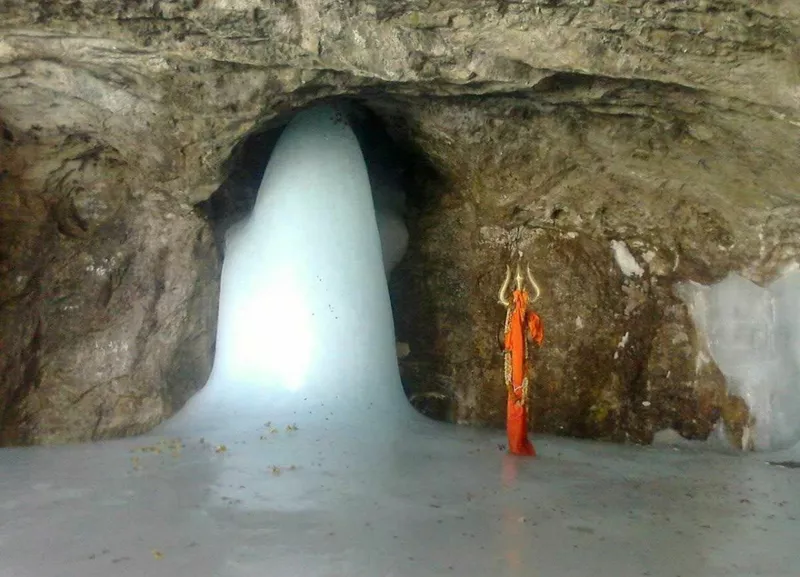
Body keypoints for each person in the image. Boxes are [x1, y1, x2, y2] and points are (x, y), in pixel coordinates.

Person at [498, 260, 544, 456]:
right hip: (516, 364)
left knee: (518, 400)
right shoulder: (514, 314)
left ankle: (518, 442)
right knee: (516, 400)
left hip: (519, 362)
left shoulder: (521, 313)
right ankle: (516, 443)